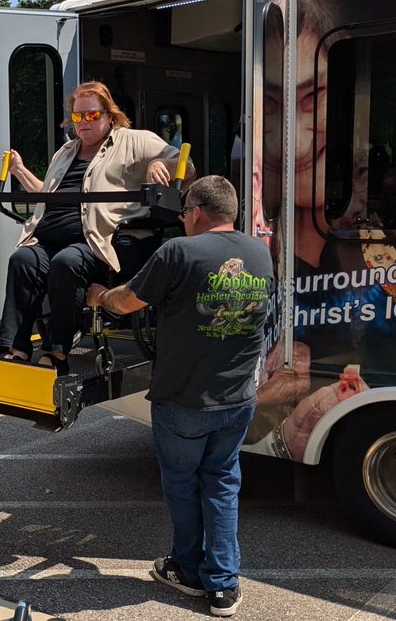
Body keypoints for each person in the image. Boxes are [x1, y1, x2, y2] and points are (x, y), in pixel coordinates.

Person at [87, 176, 273, 617]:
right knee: (223, 485)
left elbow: (128, 302)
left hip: (184, 400)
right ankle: (223, 586)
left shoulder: (178, 251)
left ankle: (188, 571)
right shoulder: (260, 252)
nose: (184, 218)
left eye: (185, 210)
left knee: (183, 487)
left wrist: (100, 295)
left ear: (196, 211)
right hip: (238, 397)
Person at [0, 80, 193, 373]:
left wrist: (160, 166)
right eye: (77, 117)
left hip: (97, 243)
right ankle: (17, 348)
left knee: (67, 262)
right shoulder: (64, 152)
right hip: (49, 238)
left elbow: (186, 165)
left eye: (91, 115)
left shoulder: (134, 140)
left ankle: (58, 352)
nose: (83, 122)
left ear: (109, 115)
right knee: (22, 259)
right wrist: (20, 171)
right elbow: (46, 194)